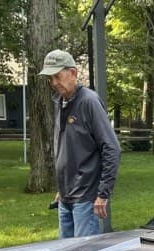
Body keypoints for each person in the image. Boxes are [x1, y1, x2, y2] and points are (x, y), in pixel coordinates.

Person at [39, 49, 120, 238]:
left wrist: (103, 194)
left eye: (57, 76)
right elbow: (68, 151)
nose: (54, 83)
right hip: (65, 197)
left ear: (73, 73)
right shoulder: (60, 102)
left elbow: (112, 148)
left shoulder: (89, 102)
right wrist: (62, 189)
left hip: (85, 197)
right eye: (50, 79)